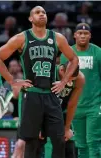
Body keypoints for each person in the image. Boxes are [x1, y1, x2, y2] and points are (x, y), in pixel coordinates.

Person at [0, 6, 79, 158]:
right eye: (37, 13)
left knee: (59, 139)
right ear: (30, 19)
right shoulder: (22, 38)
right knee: (32, 143)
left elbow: (74, 59)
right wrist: (12, 81)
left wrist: (64, 81)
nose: (41, 15)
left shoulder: (57, 38)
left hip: (51, 95)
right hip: (32, 95)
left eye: (44, 12)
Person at [60, 23, 101, 158]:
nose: (83, 36)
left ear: (90, 36)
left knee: (93, 142)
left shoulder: (98, 52)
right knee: (81, 145)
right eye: (80, 33)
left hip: (94, 105)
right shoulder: (67, 54)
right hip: (75, 106)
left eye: (86, 34)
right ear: (75, 35)